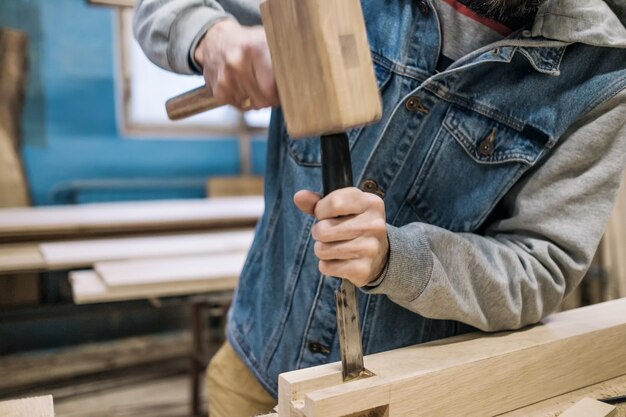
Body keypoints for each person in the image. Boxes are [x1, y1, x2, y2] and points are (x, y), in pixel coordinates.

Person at [134, 0, 626, 415]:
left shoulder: (601, 72)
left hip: (406, 398)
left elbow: (539, 269)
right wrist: (212, 38)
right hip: (255, 367)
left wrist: (399, 258)